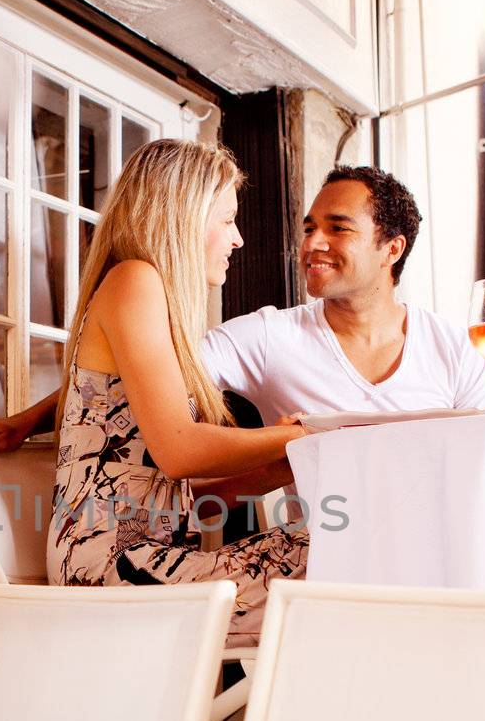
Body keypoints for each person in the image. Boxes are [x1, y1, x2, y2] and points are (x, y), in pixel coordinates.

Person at [0, 165, 485, 454]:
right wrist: (26, 422)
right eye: (309, 228)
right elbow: (144, 376)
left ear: (391, 249)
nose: (312, 243)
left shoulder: (455, 351)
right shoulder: (269, 337)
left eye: (338, 228)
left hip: (429, 544)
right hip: (331, 547)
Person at [47, 138, 309, 645]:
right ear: (185, 216)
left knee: (335, 556)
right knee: (341, 565)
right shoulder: (134, 280)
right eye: (226, 219)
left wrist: (282, 465)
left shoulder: (145, 295)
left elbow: (177, 502)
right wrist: (298, 436)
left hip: (146, 561)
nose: (237, 240)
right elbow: (180, 451)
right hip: (112, 572)